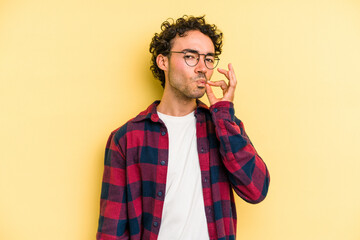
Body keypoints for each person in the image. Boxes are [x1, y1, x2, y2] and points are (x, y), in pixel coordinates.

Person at [96, 15, 270, 240]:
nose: (202, 68)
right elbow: (112, 231)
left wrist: (224, 115)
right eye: (190, 57)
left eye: (208, 59)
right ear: (163, 62)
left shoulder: (224, 126)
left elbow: (256, 190)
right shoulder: (127, 139)